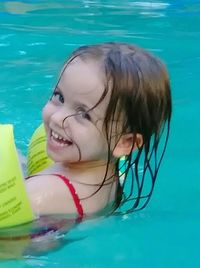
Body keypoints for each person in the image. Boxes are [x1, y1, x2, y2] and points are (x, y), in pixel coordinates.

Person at [25, 42, 172, 222]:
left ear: (125, 143)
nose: (57, 118)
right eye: (59, 97)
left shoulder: (41, 193)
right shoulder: (111, 178)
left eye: (83, 115)